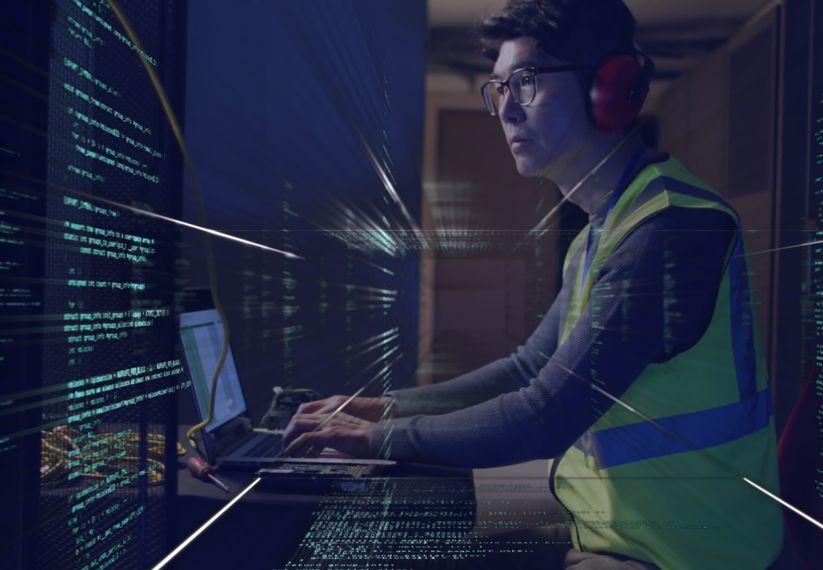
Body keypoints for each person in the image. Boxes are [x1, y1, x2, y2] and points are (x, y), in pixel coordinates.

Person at [282, 0, 784, 568]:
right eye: (498, 89)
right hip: (596, 505)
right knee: (382, 515)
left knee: (381, 548)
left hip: (676, 550)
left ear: (609, 85)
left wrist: (379, 438)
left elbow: (546, 415)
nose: (506, 111)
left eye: (525, 83)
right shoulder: (603, 229)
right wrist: (383, 409)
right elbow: (527, 370)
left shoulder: (668, 228)